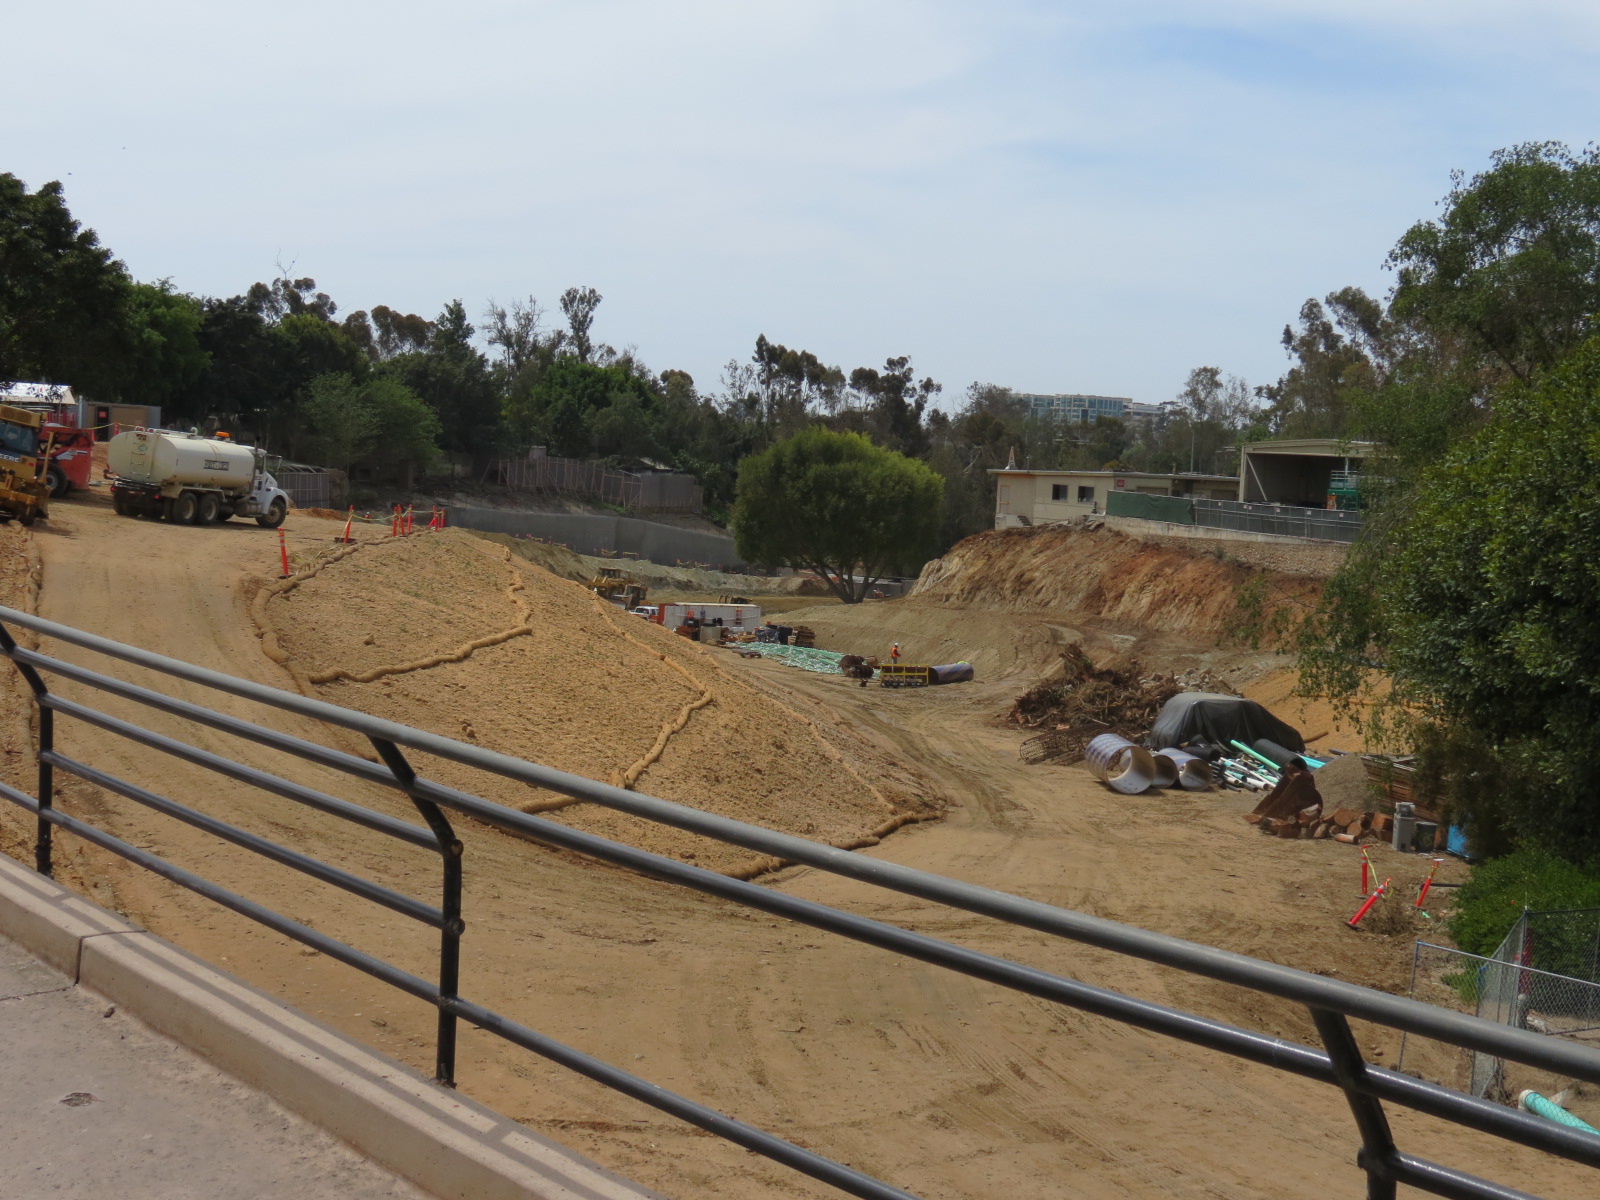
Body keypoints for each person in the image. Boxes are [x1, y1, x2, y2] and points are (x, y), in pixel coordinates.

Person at [1245, 757, 1322, 825]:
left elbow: (1284, 799)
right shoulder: (1295, 778)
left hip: (1307, 805)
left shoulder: (1305, 779)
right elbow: (1276, 794)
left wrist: (1267, 815)